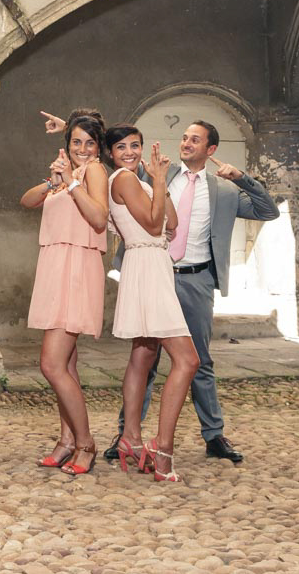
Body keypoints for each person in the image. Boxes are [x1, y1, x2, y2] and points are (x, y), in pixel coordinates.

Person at [103, 121, 280, 464]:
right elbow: (119, 176)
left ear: (210, 150)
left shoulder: (225, 191)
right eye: (184, 137)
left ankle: (214, 435)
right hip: (156, 273)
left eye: (194, 140)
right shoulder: (158, 175)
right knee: (145, 356)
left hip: (195, 279)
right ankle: (127, 433)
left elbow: (267, 211)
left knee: (199, 360)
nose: (186, 143)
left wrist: (241, 178)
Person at [105, 126, 199, 482]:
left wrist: (158, 183)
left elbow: (172, 222)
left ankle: (130, 438)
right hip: (146, 264)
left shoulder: (138, 180)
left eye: (135, 145)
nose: (129, 152)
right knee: (187, 360)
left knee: (143, 355)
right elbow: (153, 222)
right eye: (121, 147)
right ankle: (162, 448)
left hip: (151, 263)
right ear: (111, 153)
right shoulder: (124, 179)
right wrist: (158, 181)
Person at [19, 116, 109, 474]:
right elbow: (26, 201)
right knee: (66, 365)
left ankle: (86, 443)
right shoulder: (63, 176)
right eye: (76, 142)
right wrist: (53, 182)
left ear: (99, 147)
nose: (82, 149)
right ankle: (67, 440)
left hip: (76, 267)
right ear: (67, 144)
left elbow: (99, 218)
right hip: (54, 265)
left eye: (89, 143)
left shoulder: (94, 172)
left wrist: (71, 182)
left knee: (51, 365)